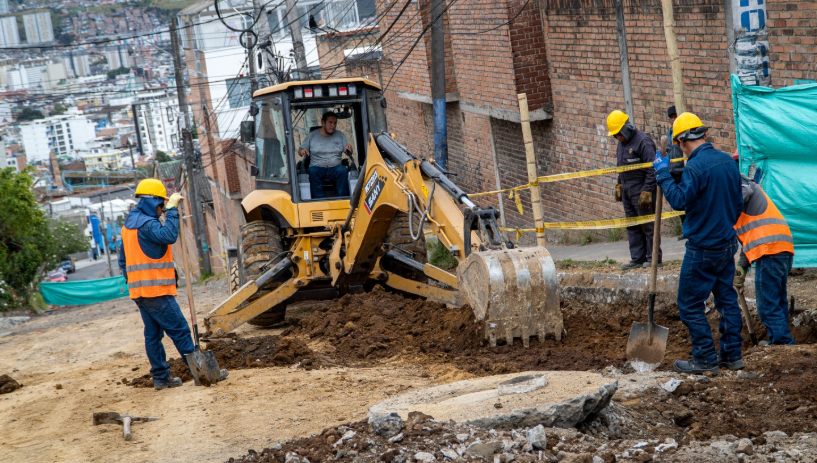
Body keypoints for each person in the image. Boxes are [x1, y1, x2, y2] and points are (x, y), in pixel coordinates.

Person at [653, 112, 744, 375]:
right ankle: (732, 356)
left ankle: (704, 358)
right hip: (727, 245)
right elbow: (739, 203)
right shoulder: (728, 162)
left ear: (682, 142)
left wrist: (663, 174)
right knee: (727, 301)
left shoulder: (694, 167)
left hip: (703, 249)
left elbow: (679, 200)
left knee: (689, 304)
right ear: (704, 134)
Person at [118, 179, 226, 390]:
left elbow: (123, 261)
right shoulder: (147, 224)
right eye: (161, 205)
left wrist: (134, 284)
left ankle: (161, 378)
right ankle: (203, 373)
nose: (161, 210)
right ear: (153, 202)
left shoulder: (128, 226)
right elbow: (168, 235)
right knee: (180, 330)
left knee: (153, 335)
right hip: (156, 291)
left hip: (140, 291)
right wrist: (173, 211)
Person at [732, 159, 795, 345]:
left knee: (768, 306)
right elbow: (751, 237)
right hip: (781, 247)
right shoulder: (741, 189)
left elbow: (745, 192)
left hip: (770, 251)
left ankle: (782, 343)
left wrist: (723, 207)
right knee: (777, 302)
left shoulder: (737, 183)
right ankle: (778, 341)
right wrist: (742, 267)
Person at [607, 110, 662, 270]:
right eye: (615, 135)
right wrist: (619, 184)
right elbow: (622, 166)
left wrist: (647, 190)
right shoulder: (621, 144)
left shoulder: (643, 142)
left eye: (619, 134)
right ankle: (637, 258)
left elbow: (653, 168)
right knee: (632, 225)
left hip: (642, 188)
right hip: (627, 189)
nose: (618, 137)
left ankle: (654, 258)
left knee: (648, 226)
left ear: (626, 128)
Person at [299, 111, 353, 198]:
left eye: (335, 123)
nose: (333, 125)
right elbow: (300, 150)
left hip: (336, 167)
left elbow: (348, 150)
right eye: (330, 122)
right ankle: (318, 200)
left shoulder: (340, 135)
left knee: (343, 170)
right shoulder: (312, 136)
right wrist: (302, 151)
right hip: (317, 167)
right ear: (323, 123)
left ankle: (343, 199)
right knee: (311, 171)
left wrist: (349, 148)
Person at [665, 106, 687, 239]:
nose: (673, 120)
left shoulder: (682, 132)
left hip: (682, 171)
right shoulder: (668, 134)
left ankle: (689, 229)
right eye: (671, 117)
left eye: (675, 117)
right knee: (678, 204)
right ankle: (685, 230)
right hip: (673, 172)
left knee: (687, 202)